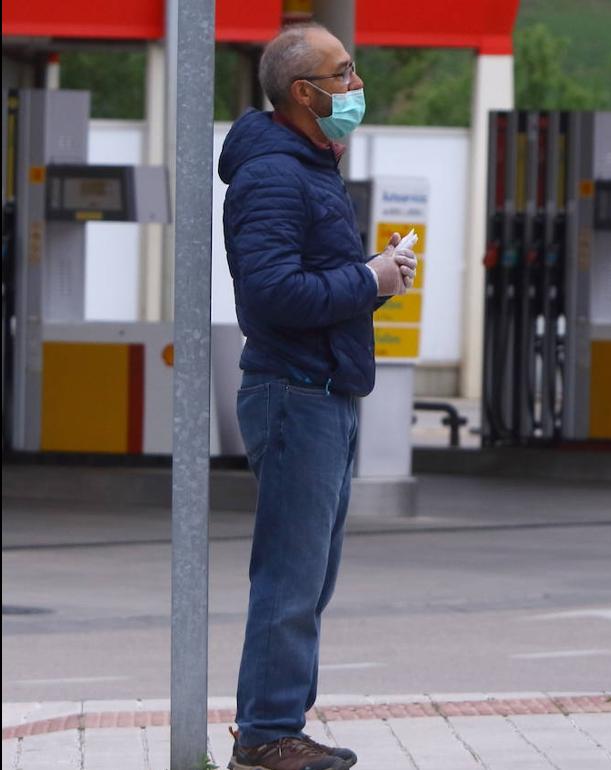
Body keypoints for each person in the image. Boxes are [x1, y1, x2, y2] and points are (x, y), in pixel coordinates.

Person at [218, 22, 416, 770]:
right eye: (344, 73)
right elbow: (272, 293)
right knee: (291, 577)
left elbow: (306, 282)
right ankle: (267, 734)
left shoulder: (306, 164)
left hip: (322, 389)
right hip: (296, 392)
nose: (357, 85)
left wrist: (374, 277)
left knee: (308, 576)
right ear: (304, 92)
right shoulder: (275, 175)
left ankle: (277, 727)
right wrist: (368, 279)